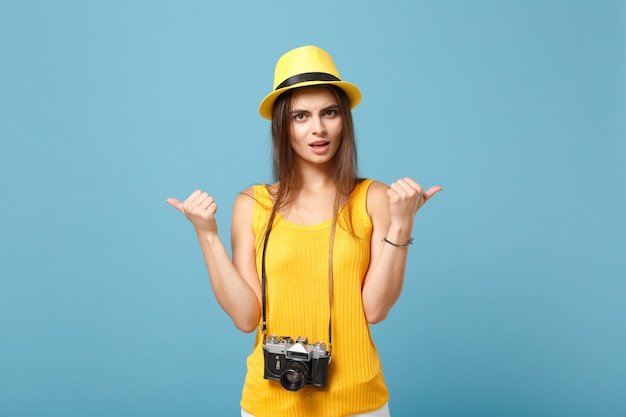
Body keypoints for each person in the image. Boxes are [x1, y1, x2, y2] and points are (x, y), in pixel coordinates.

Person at [166, 45, 442, 417]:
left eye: (329, 112)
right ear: (283, 126)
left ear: (344, 119)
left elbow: (375, 309)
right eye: (301, 116)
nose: (318, 128)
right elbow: (246, 317)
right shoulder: (252, 204)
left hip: (357, 402)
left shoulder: (374, 197)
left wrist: (403, 222)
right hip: (271, 403)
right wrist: (207, 236)